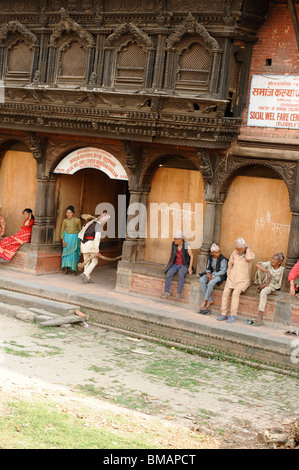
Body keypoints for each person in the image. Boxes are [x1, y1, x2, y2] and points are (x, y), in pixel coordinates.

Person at [218, 237, 255, 323]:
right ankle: (223, 313)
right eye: (236, 249)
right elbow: (230, 264)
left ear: (244, 248)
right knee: (225, 293)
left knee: (235, 293)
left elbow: (249, 258)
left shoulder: (249, 254)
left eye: (239, 250)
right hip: (232, 278)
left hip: (243, 280)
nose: (237, 251)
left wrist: (247, 249)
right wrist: (229, 274)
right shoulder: (234, 253)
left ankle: (233, 315)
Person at [245, 252, 285, 326]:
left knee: (263, 292)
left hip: (272, 286)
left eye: (275, 259)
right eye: (272, 258)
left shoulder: (282, 270)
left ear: (280, 262)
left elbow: (279, 285)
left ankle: (260, 315)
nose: (272, 260)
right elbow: (257, 264)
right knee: (261, 269)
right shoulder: (269, 264)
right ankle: (260, 284)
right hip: (264, 281)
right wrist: (268, 272)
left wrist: (266, 285)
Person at [78, 212, 110, 284]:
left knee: (86, 261)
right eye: (106, 220)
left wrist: (81, 246)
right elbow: (97, 239)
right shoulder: (98, 226)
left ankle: (87, 278)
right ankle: (85, 274)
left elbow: (81, 235)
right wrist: (96, 251)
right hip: (91, 245)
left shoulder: (86, 224)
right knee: (95, 261)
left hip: (84, 244)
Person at [162, 230, 193, 299]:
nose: (174, 240)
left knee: (181, 274)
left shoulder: (187, 245)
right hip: (174, 264)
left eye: (175, 239)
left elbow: (191, 256)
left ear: (181, 239)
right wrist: (167, 264)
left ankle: (179, 293)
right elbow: (170, 254)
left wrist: (190, 268)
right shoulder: (173, 244)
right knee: (169, 273)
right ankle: (166, 292)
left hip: (183, 265)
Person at [198, 243, 228, 314]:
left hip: (219, 275)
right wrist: (208, 273)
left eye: (219, 252)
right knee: (201, 280)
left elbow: (223, 271)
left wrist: (213, 276)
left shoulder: (223, 259)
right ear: (212, 253)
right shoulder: (210, 257)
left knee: (211, 283)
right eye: (216, 252)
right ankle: (210, 299)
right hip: (211, 274)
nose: (218, 254)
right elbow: (208, 267)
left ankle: (205, 301)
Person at [60, 205, 81, 275]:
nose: (68, 214)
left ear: (73, 213)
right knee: (66, 254)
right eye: (67, 213)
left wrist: (81, 241)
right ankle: (65, 269)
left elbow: (80, 230)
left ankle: (74, 270)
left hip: (75, 238)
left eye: (70, 213)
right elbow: (62, 230)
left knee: (74, 253)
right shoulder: (65, 221)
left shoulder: (78, 220)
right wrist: (63, 240)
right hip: (67, 238)